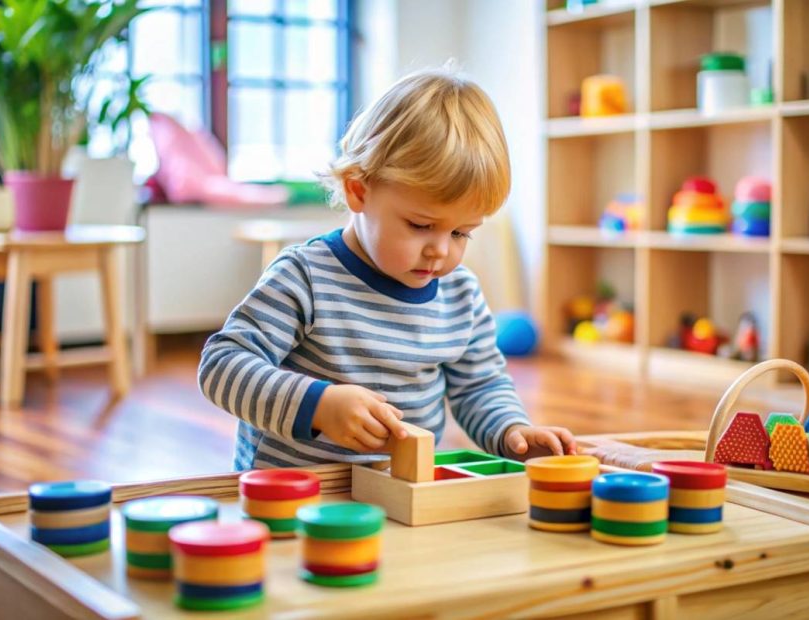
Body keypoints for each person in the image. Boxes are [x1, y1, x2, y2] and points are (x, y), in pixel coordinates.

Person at [198, 68, 577, 469]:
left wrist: (511, 432)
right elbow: (221, 365)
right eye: (420, 225)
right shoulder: (305, 276)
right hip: (294, 497)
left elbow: (479, 386)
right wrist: (318, 405)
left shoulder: (460, 294)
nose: (440, 251)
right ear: (358, 190)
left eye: (462, 233)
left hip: (401, 495)